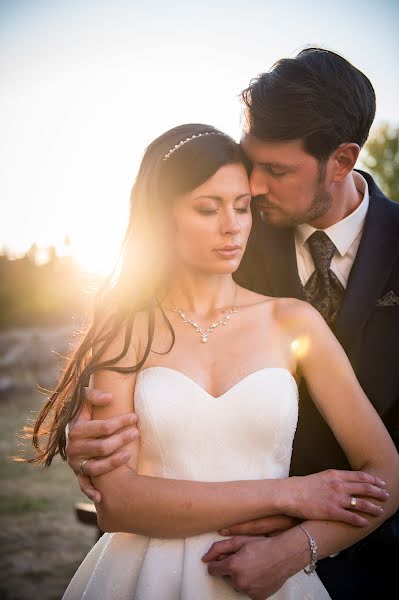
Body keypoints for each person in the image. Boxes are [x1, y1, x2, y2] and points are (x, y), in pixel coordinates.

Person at [64, 48, 399, 599]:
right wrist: (92, 437)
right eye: (221, 201)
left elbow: (384, 467)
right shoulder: (237, 227)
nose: (245, 208)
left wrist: (299, 542)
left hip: (360, 553)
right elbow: (120, 487)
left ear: (341, 161)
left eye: (271, 174)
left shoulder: (291, 315)